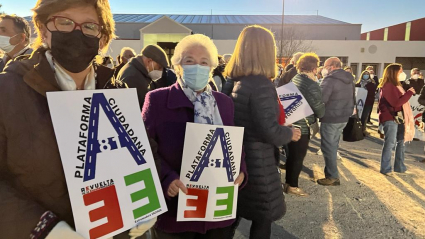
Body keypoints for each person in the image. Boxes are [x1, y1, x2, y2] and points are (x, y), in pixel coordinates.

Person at [0, 0, 156, 238]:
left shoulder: (117, 91)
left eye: (89, 26)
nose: (77, 32)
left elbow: (141, 153)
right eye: (64, 22)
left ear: (102, 39)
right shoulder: (8, 90)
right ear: (43, 30)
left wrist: (147, 199)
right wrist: (42, 228)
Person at [142, 34, 247, 239]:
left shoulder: (224, 103)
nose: (197, 66)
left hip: (218, 211)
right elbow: (143, 149)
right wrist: (166, 178)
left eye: (204, 62)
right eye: (189, 61)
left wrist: (241, 170)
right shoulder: (157, 99)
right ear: (178, 66)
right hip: (175, 212)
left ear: (211, 68)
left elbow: (233, 143)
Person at [223, 25, 301, 239]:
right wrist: (290, 134)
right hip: (259, 163)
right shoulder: (262, 85)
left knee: (235, 215)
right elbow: (269, 131)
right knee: (262, 218)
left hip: (241, 157)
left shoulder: (236, 82)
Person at [284, 53, 325, 196]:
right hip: (302, 126)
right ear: (314, 68)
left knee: (291, 155)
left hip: (291, 122)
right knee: (298, 157)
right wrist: (322, 111)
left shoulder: (296, 78)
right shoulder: (312, 85)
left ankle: (288, 182)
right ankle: (293, 187)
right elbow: (319, 109)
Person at [318, 57, 354, 186]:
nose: (323, 68)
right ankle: (332, 175)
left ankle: (332, 176)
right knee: (333, 146)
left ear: (332, 66)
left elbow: (321, 99)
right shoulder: (349, 79)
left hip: (331, 117)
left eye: (325, 66)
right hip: (343, 117)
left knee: (328, 148)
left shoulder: (330, 80)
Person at [378, 64, 415, 176]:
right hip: (390, 117)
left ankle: (400, 167)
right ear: (394, 72)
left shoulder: (396, 85)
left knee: (401, 142)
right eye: (400, 71)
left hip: (399, 117)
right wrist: (409, 93)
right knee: (390, 143)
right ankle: (386, 168)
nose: (403, 73)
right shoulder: (388, 85)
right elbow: (396, 103)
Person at [117, 44, 169, 110]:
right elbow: (139, 109)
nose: (161, 71)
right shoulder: (133, 77)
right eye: (159, 67)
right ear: (149, 61)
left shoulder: (138, 72)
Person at [356, 70, 377, 135]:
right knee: (358, 116)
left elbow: (372, 94)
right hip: (359, 102)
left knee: (364, 117)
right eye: (364, 74)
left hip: (367, 103)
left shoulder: (372, 84)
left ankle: (363, 129)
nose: (366, 75)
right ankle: (356, 129)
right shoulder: (358, 83)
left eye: (367, 74)